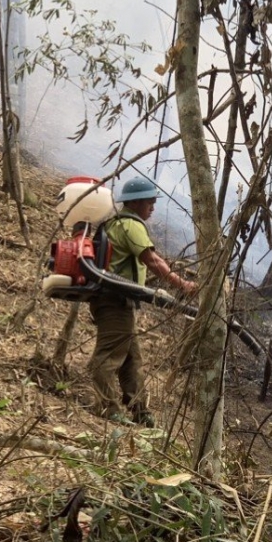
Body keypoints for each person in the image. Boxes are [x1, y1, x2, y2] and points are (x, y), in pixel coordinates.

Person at [88, 176, 197, 425]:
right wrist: (183, 284)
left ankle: (141, 413)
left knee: (131, 359)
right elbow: (152, 260)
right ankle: (107, 408)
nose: (153, 207)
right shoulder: (130, 224)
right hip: (115, 300)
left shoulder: (115, 224)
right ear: (135, 202)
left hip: (117, 300)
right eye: (150, 202)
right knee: (108, 356)